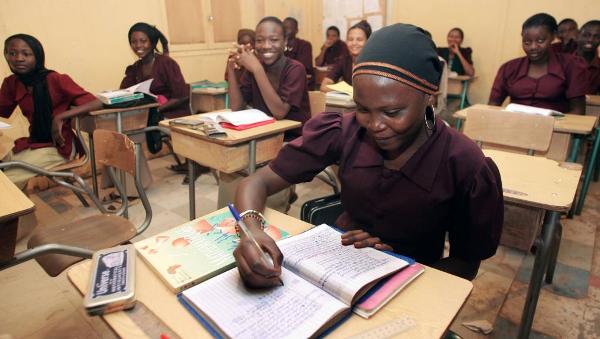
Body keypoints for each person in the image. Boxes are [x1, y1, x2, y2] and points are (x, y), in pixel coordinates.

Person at [232, 23, 504, 288]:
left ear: (429, 98)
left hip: (418, 279)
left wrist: (396, 271)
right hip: (340, 265)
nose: (374, 125)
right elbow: (257, 182)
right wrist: (251, 230)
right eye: (363, 108)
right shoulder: (344, 130)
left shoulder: (464, 163)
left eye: (392, 112)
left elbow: (466, 265)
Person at [223, 16, 311, 212]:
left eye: (274, 39)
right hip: (263, 135)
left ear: (285, 43)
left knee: (264, 166)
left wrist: (255, 68)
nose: (266, 45)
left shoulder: (295, 69)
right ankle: (233, 217)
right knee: (231, 163)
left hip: (291, 139)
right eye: (260, 40)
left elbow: (280, 112)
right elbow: (236, 106)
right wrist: (231, 69)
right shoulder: (254, 69)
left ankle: (267, 216)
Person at [1, 34, 102, 189]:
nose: (18, 58)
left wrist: (60, 117)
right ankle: (17, 212)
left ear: (38, 56)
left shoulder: (55, 79)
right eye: (12, 53)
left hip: (60, 146)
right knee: (5, 166)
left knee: (7, 179)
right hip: (36, 142)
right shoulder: (12, 83)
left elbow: (97, 102)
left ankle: (12, 208)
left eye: (26, 54)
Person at [121, 22, 206, 181]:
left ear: (152, 43)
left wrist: (159, 109)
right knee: (122, 130)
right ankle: (130, 178)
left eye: (143, 41)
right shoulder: (136, 68)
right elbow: (125, 90)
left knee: (131, 134)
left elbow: (182, 95)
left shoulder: (166, 63)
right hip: (151, 114)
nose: (138, 45)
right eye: (134, 41)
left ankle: (195, 165)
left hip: (173, 112)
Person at [489, 13, 588, 114]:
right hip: (513, 125)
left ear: (553, 36)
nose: (533, 47)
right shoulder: (509, 68)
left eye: (540, 41)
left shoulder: (571, 65)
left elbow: (578, 110)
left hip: (556, 128)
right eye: (527, 42)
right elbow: (492, 105)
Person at [320, 20, 371, 92]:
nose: (354, 43)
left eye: (359, 40)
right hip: (348, 101)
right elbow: (324, 86)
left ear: (368, 42)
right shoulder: (344, 60)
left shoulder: (374, 62)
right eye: (350, 39)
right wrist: (346, 89)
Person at [282, 17, 314, 88]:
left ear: (296, 30)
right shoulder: (280, 45)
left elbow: (303, 66)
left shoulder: (305, 45)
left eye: (288, 28)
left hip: (303, 82)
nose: (285, 31)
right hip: (284, 81)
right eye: (284, 28)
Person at [574, 20, 600, 94]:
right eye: (586, 35)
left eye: (597, 37)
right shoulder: (563, 61)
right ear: (578, 35)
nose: (590, 40)